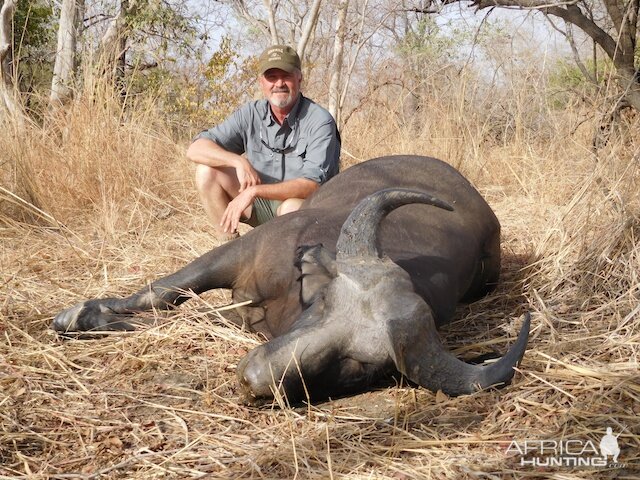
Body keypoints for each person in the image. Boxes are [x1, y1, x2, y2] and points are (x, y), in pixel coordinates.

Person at [187, 44, 341, 239]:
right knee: (206, 172)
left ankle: (295, 265)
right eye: (272, 77)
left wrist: (253, 192)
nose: (279, 84)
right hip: (260, 206)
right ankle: (230, 251)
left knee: (290, 208)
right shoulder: (251, 113)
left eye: (285, 76)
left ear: (299, 78)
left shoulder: (320, 120)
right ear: (261, 82)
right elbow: (195, 149)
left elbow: (312, 186)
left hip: (303, 209)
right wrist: (238, 161)